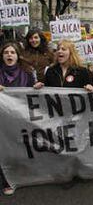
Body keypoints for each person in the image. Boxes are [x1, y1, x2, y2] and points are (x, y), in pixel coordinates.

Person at [0, 42, 36, 196]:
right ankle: (6, 180)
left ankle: (18, 176)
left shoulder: (27, 73)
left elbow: (33, 93)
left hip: (18, 118)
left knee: (18, 147)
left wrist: (37, 88)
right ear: (2, 56)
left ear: (17, 55)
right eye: (6, 52)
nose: (9, 55)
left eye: (12, 52)